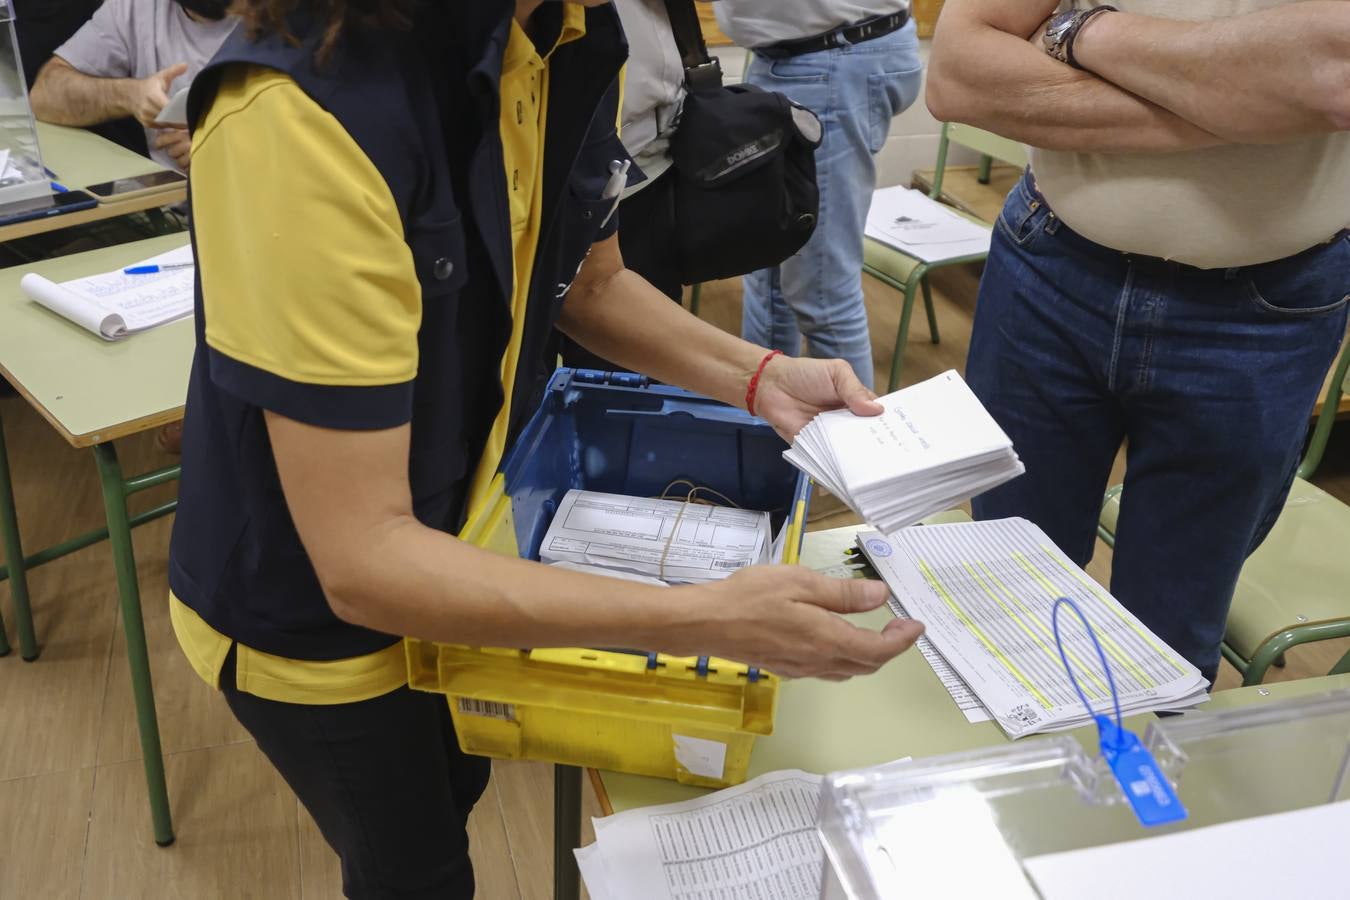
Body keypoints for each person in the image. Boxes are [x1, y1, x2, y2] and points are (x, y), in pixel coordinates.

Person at [169, 1, 924, 896]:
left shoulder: (569, 33)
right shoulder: (299, 116)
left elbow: (589, 283)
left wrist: (757, 376)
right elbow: (362, 560)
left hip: (450, 527)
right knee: (414, 863)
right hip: (313, 619)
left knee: (459, 781)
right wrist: (704, 621)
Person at [927, 1, 1350, 683]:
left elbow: (1335, 74)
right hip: (1049, 265)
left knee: (1166, 641)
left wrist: (1080, 28)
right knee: (1006, 594)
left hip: (1260, 313)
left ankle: (1134, 789)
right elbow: (956, 75)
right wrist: (1236, 103)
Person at [719, 0, 924, 389]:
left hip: (827, 57)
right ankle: (766, 429)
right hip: (809, 56)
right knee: (768, 274)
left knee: (823, 295)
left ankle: (852, 447)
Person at [560, 0, 684, 373]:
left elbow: (596, 287)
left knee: (621, 379)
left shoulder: (593, 39)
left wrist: (762, 379)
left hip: (639, 160)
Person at [29, 0, 236, 172]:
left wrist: (225, 150)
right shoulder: (138, 7)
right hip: (171, 206)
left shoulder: (266, 15)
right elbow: (45, 96)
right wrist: (131, 96)